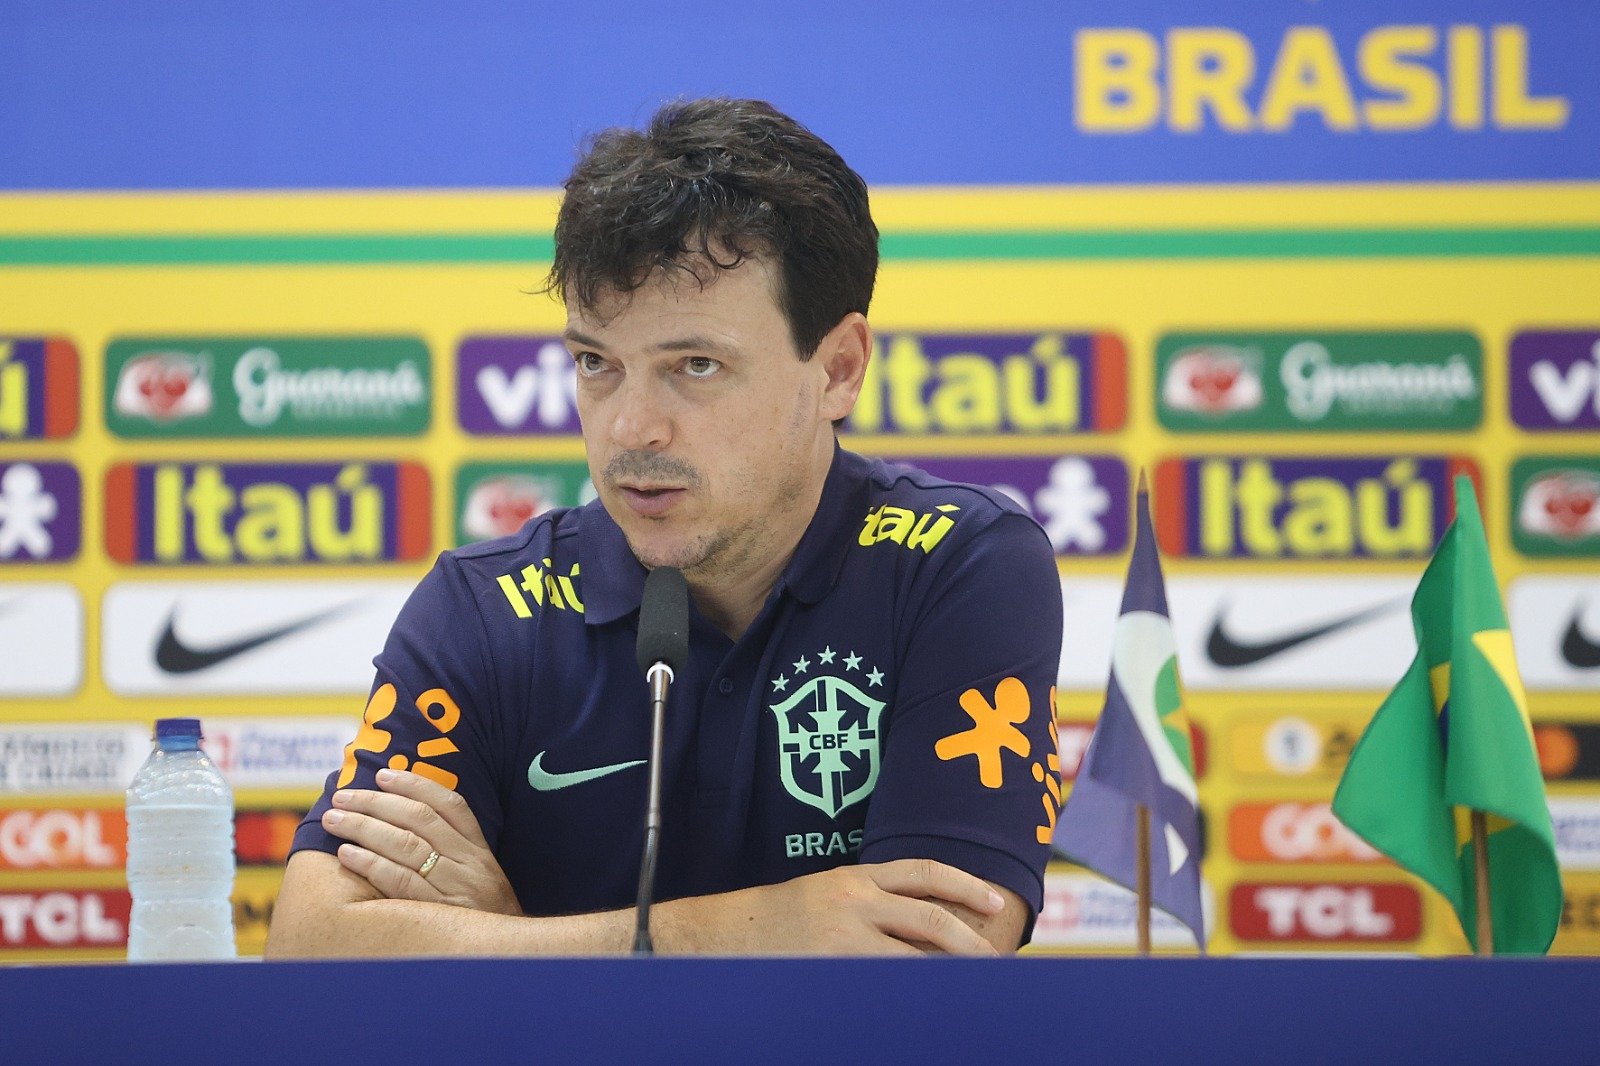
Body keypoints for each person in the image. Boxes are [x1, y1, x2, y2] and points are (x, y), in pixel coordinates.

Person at [266, 98, 1063, 957]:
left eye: (695, 365)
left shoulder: (959, 567)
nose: (630, 428)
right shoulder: (484, 608)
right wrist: (757, 931)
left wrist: (508, 942)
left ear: (838, 370)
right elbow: (312, 943)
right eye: (595, 363)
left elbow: (933, 960)